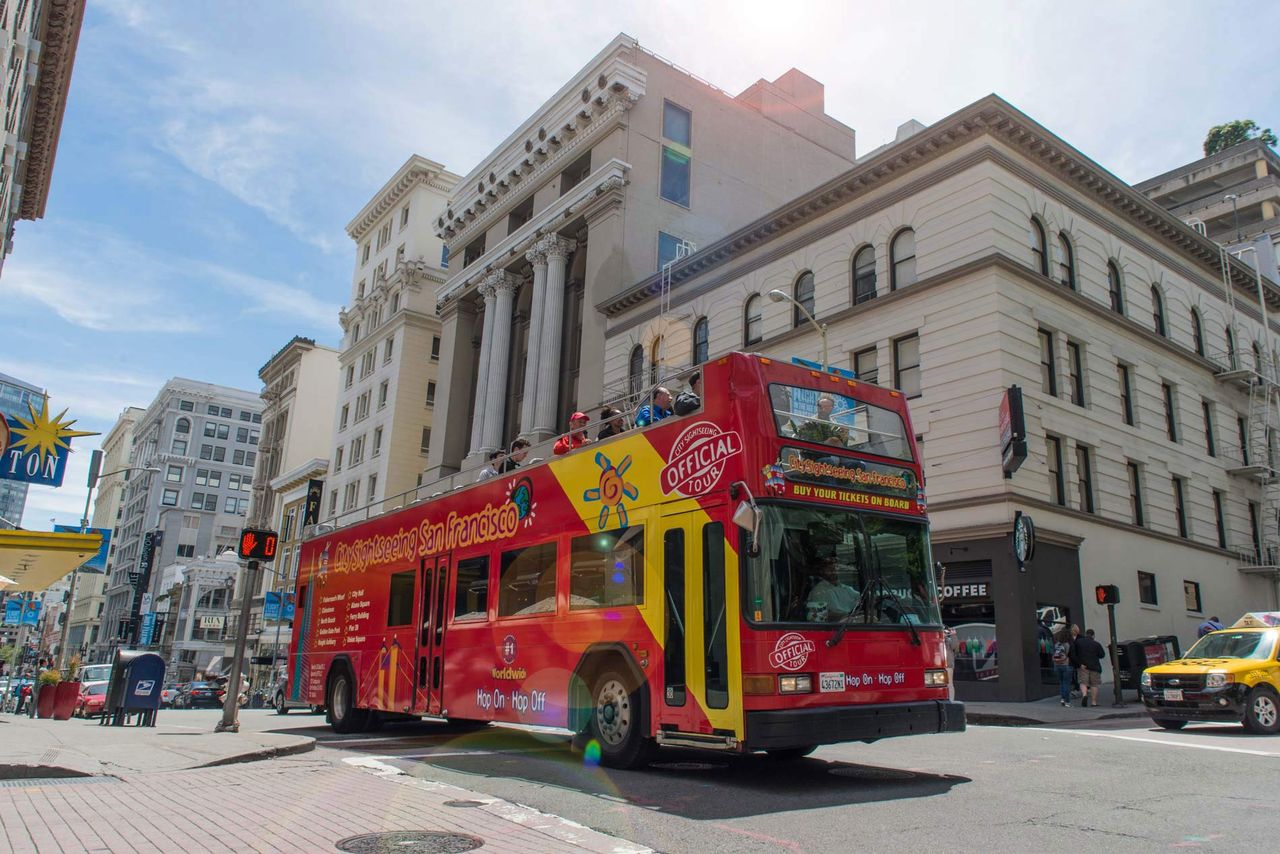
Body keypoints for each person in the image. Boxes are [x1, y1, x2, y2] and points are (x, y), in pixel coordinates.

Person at [805, 555, 859, 622]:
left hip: (851, 620)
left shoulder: (844, 587)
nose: (833, 571)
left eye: (834, 568)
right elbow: (822, 615)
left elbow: (861, 597)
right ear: (822, 571)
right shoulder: (818, 591)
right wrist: (845, 616)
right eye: (829, 569)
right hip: (836, 626)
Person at [1072, 627, 1106, 708]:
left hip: (1083, 666)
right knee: (1094, 684)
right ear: (1093, 636)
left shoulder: (1078, 642)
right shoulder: (1096, 644)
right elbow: (1102, 655)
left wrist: (1079, 664)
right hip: (1095, 667)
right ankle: (1094, 702)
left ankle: (1084, 695)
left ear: (1085, 634)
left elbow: (1073, 654)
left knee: (1083, 682)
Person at [1052, 627, 1074, 707]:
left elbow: (1054, 653)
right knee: (1066, 683)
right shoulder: (1068, 644)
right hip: (1066, 665)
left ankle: (1062, 699)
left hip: (1057, 665)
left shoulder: (1057, 644)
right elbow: (1069, 655)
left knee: (1061, 683)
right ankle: (1067, 702)